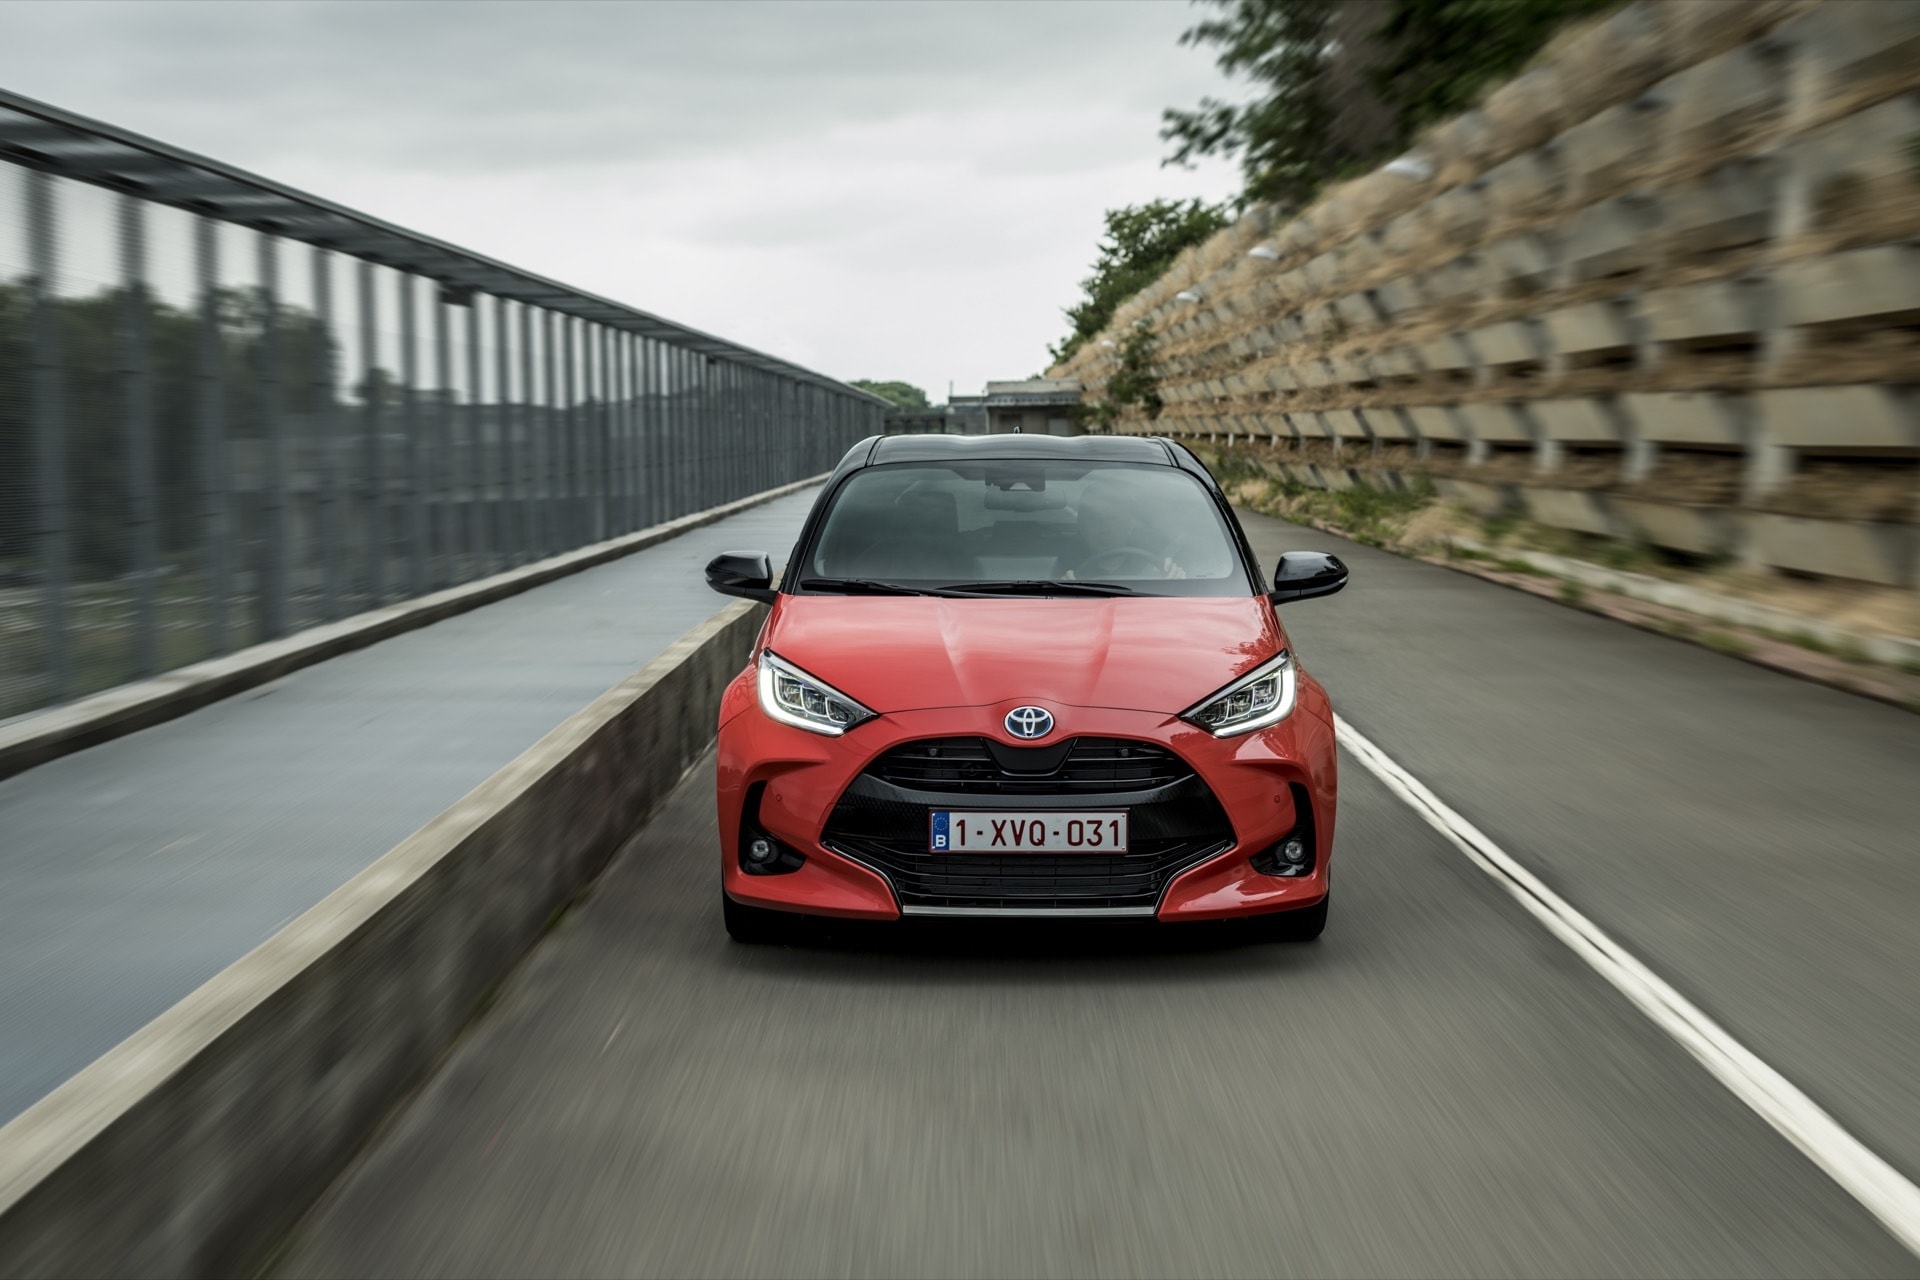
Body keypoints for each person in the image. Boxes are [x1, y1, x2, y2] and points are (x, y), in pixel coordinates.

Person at [1061, 469, 1188, 580]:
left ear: (1130, 526)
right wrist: (1064, 589)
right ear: (1083, 528)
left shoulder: (1155, 567)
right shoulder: (1066, 569)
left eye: (1113, 519)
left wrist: (1174, 579)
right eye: (1095, 520)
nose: (1105, 528)